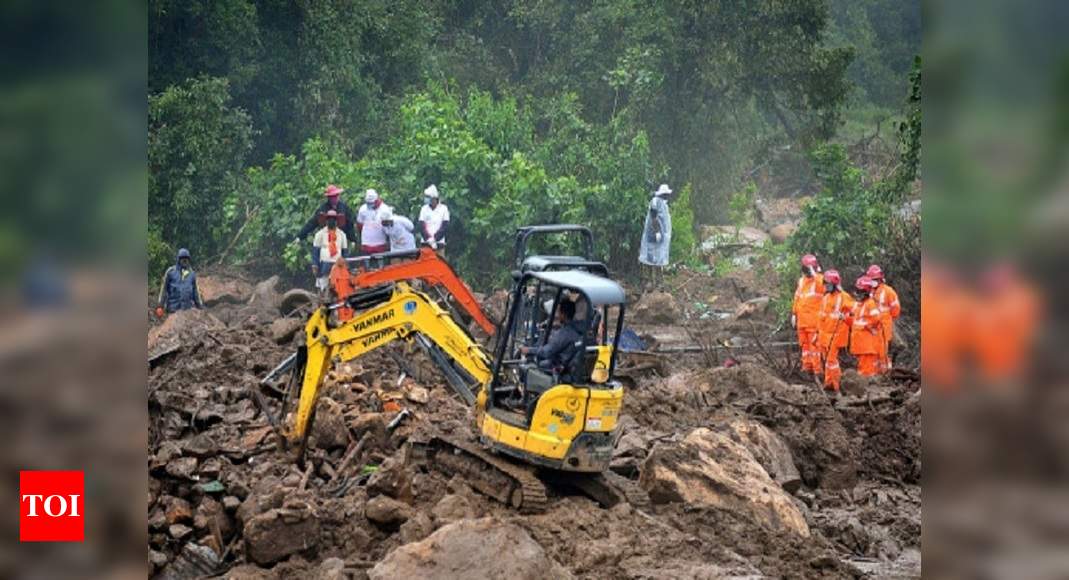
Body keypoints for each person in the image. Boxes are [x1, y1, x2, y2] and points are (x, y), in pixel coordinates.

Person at [816, 270, 854, 392]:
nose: (826, 286)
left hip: (836, 334)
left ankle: (836, 385)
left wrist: (846, 318)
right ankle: (829, 383)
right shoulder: (826, 297)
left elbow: (854, 316)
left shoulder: (844, 297)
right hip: (824, 333)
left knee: (831, 360)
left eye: (828, 284)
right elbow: (821, 317)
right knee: (826, 360)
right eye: (825, 284)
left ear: (834, 284)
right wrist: (817, 333)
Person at [520, 300, 583, 371]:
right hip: (568, 365)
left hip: (558, 368)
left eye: (558, 312)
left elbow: (547, 352)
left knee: (527, 368)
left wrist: (529, 350)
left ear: (563, 314)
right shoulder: (579, 329)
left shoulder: (565, 333)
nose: (557, 315)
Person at [791, 254, 824, 375]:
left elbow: (824, 287)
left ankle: (817, 370)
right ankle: (806, 367)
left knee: (814, 346)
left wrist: (814, 274)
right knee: (804, 346)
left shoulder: (819, 280)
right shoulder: (801, 281)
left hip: (813, 321)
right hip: (802, 320)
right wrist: (794, 313)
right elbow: (797, 297)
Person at [866, 264, 900, 373]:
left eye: (875, 279)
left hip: (884, 325)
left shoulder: (888, 291)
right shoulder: (869, 292)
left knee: (883, 350)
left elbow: (895, 310)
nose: (873, 282)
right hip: (872, 325)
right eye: (871, 280)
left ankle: (885, 372)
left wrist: (886, 319)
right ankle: (875, 371)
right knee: (873, 349)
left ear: (880, 279)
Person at [850, 276, 884, 377]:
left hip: (867, 344)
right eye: (858, 290)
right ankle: (864, 386)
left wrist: (867, 326)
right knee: (862, 367)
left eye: (860, 291)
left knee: (867, 370)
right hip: (861, 343)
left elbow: (877, 319)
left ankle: (868, 388)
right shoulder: (860, 305)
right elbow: (855, 322)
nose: (858, 293)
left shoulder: (870, 304)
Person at [639, 183, 673, 285]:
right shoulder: (655, 202)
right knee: (650, 257)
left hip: (660, 237)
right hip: (653, 235)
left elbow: (664, 221)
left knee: (659, 259)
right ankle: (650, 282)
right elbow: (653, 217)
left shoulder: (663, 204)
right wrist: (657, 231)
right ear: (663, 194)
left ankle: (658, 282)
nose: (668, 196)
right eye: (666, 194)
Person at [156, 248, 204, 316]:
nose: (184, 260)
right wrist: (160, 306)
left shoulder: (192, 274)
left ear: (189, 260)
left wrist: (200, 307)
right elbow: (163, 290)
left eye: (186, 258)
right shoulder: (170, 272)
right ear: (178, 259)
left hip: (188, 312)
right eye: (182, 258)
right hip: (173, 311)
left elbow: (196, 292)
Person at [312, 210, 348, 292]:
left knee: (338, 285)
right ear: (326, 221)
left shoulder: (342, 235)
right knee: (322, 283)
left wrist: (345, 263)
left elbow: (345, 251)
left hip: (337, 263)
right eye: (329, 219)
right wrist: (314, 264)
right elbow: (315, 251)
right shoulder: (320, 234)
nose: (331, 221)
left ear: (336, 221)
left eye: (333, 219)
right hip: (324, 263)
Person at [356, 189, 391, 254]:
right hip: (366, 243)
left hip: (381, 243)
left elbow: (389, 228)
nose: (370, 204)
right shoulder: (363, 209)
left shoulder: (385, 209)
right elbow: (359, 225)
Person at [418, 184, 450, 253]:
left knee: (439, 262)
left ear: (434, 198)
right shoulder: (424, 209)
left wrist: (435, 239)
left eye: (428, 197)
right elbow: (421, 225)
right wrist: (428, 239)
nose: (426, 198)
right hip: (425, 243)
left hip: (439, 244)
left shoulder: (443, 208)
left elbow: (445, 226)